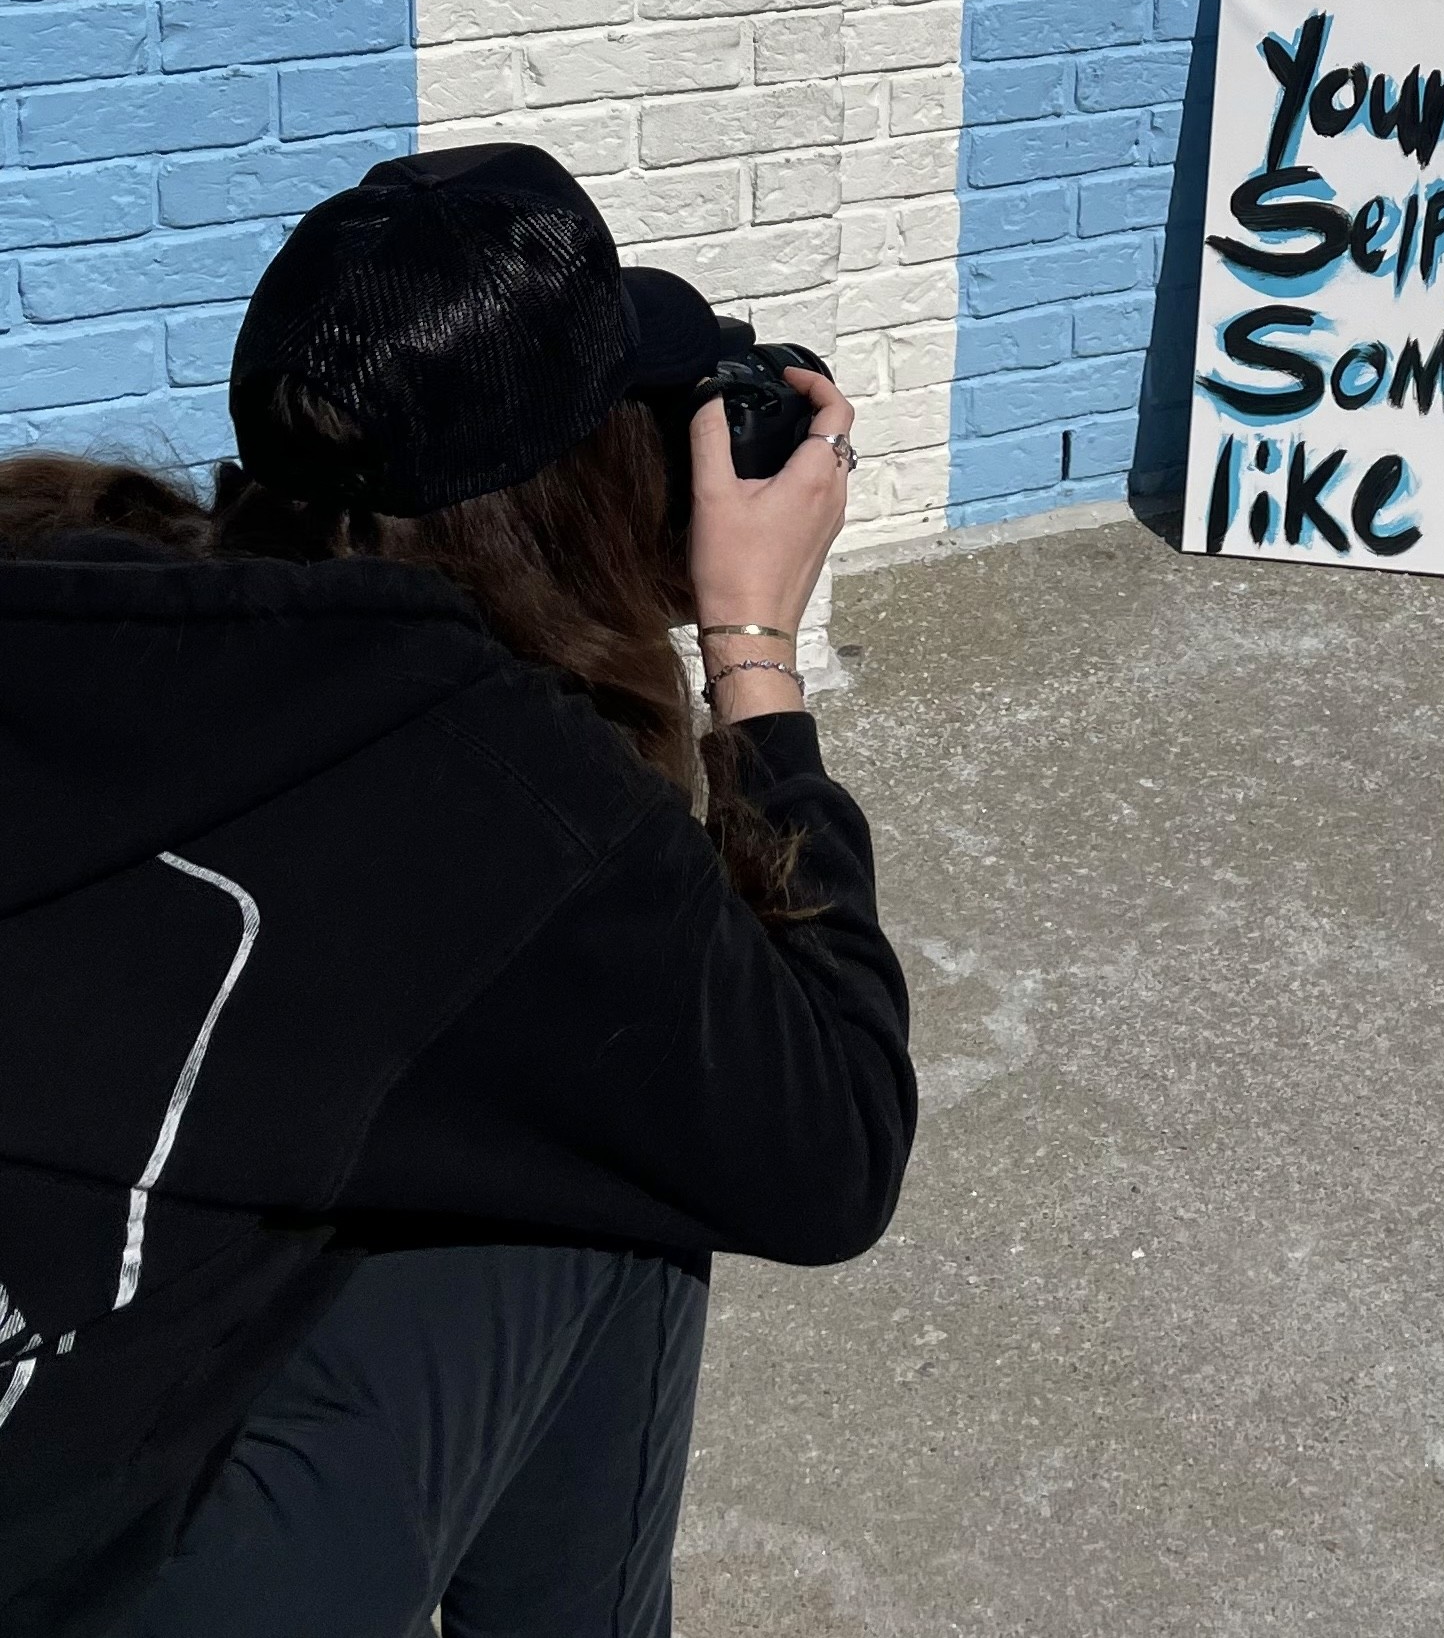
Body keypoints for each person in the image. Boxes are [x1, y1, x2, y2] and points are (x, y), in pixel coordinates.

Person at [0, 143, 917, 1638]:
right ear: (578, 494)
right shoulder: (512, 803)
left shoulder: (64, 584)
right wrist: (751, 645)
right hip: (97, 1582)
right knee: (629, 1158)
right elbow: (829, 1143)